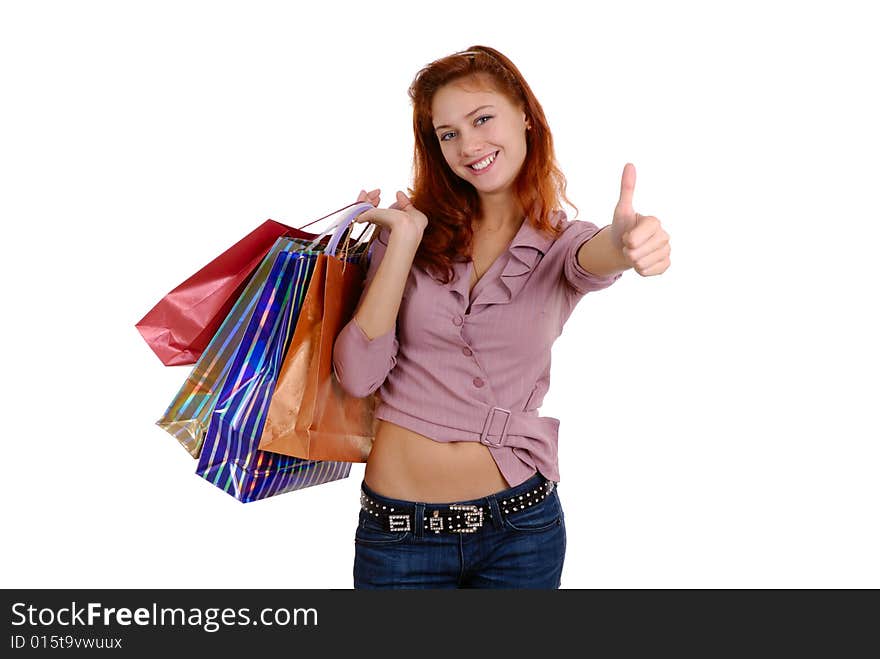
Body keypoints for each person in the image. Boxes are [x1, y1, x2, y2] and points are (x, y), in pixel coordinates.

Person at [332, 45, 671, 589]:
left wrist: (629, 243)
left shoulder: (561, 245)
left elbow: (598, 255)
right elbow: (359, 375)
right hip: (398, 537)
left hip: (520, 529)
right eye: (448, 134)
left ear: (526, 117)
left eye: (482, 118)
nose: (469, 145)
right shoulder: (407, 235)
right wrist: (402, 245)